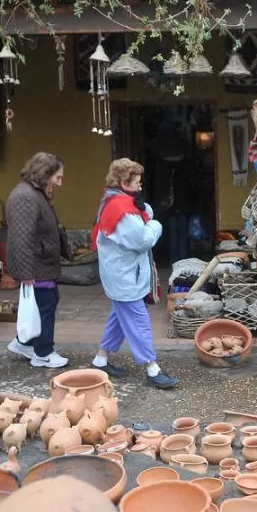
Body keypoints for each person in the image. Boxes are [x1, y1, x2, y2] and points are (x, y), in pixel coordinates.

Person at [93, 158, 179, 389]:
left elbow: (139, 220)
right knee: (138, 321)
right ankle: (152, 369)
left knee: (120, 317)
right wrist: (156, 224)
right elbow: (142, 239)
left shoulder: (115, 201)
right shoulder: (119, 207)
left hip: (121, 272)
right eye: (138, 182)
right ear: (124, 181)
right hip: (124, 275)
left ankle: (100, 360)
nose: (141, 187)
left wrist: (145, 212)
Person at [5, 152, 69, 369]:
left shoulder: (33, 192)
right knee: (45, 306)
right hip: (35, 265)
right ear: (45, 174)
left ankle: (23, 342)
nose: (60, 182)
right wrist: (26, 273)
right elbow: (21, 237)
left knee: (42, 304)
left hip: (40, 263)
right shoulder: (25, 196)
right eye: (57, 177)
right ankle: (43, 352)